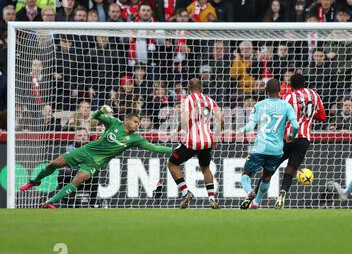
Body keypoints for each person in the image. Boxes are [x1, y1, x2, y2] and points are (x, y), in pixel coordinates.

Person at [19, 105, 173, 209]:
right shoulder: (114, 123)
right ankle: (34, 181)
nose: (137, 125)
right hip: (85, 150)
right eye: (135, 122)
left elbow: (154, 147)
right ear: (127, 120)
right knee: (54, 164)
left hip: (95, 162)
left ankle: (50, 202)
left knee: (77, 181)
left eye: (139, 123)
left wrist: (173, 149)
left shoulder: (135, 139)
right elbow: (94, 116)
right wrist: (101, 110)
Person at [251, 74, 327, 209]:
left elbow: (281, 118)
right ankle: (283, 193)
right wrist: (306, 116)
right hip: (304, 139)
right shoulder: (314, 95)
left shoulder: (288, 97)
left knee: (269, 170)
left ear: (290, 85)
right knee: (291, 169)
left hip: (287, 138)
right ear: (305, 82)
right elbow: (322, 116)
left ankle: (254, 200)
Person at [238, 78, 299, 209]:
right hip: (276, 151)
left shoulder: (259, 105)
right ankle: (256, 203)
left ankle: (249, 192)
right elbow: (296, 125)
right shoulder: (286, 106)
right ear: (280, 90)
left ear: (266, 91)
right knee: (266, 177)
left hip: (260, 148)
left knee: (245, 175)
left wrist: (241, 130)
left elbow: (250, 126)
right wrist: (292, 136)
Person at [167, 78, 224, 209]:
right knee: (205, 168)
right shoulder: (210, 100)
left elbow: (186, 119)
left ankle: (186, 193)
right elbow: (221, 119)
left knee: (172, 164)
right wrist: (215, 137)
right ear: (202, 88)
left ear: (188, 89)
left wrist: (178, 129)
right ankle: (212, 199)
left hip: (192, 142)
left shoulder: (188, 100)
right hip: (207, 141)